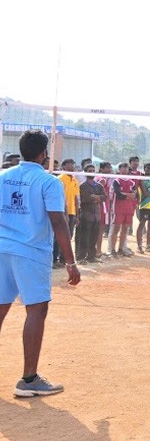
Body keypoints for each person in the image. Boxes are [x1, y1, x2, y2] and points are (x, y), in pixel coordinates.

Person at [0, 130, 81, 396]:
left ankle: (30, 378)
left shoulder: (3, 176)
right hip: (30, 252)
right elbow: (59, 221)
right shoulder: (48, 182)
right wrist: (70, 262)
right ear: (43, 153)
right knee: (36, 310)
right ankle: (29, 378)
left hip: (2, 249)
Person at [77, 163, 106, 263]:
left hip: (96, 215)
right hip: (86, 215)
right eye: (89, 171)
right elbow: (85, 198)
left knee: (94, 237)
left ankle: (91, 256)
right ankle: (81, 257)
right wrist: (96, 197)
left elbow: (104, 197)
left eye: (93, 170)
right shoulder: (83, 186)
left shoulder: (98, 185)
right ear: (85, 173)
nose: (92, 172)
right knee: (84, 237)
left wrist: (95, 197)